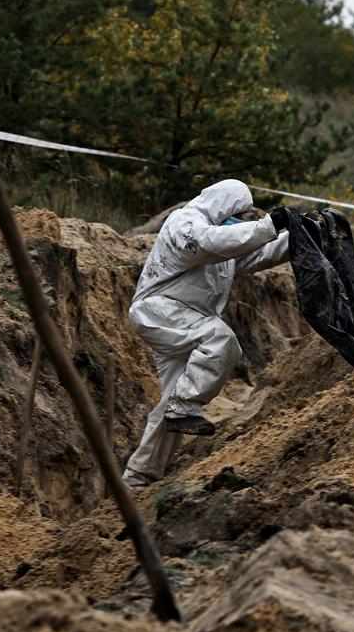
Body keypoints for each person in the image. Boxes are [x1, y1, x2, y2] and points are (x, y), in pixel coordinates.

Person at [122, 179, 290, 488]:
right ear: (223, 205)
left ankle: (137, 479)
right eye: (240, 215)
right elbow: (212, 242)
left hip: (184, 320)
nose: (243, 222)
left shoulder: (222, 235)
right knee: (220, 340)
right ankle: (184, 406)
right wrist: (267, 226)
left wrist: (295, 238)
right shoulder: (186, 222)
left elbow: (254, 254)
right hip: (159, 310)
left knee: (170, 404)